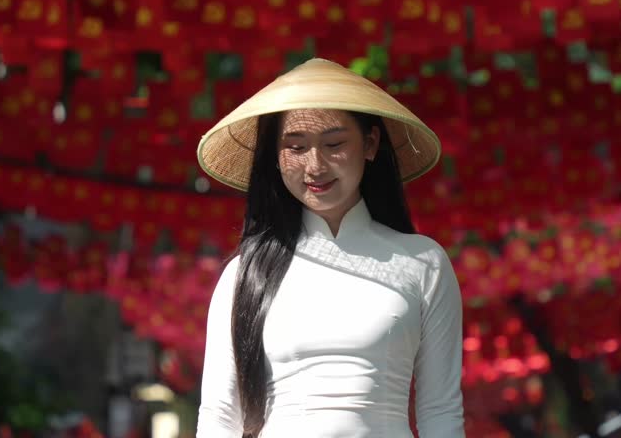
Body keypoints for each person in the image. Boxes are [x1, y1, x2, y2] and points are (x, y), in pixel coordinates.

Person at [194, 58, 464, 437]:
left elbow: (441, 411)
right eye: (296, 147)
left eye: (334, 144)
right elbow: (220, 416)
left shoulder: (423, 263)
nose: (315, 165)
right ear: (275, 156)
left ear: (369, 144)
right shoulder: (243, 275)